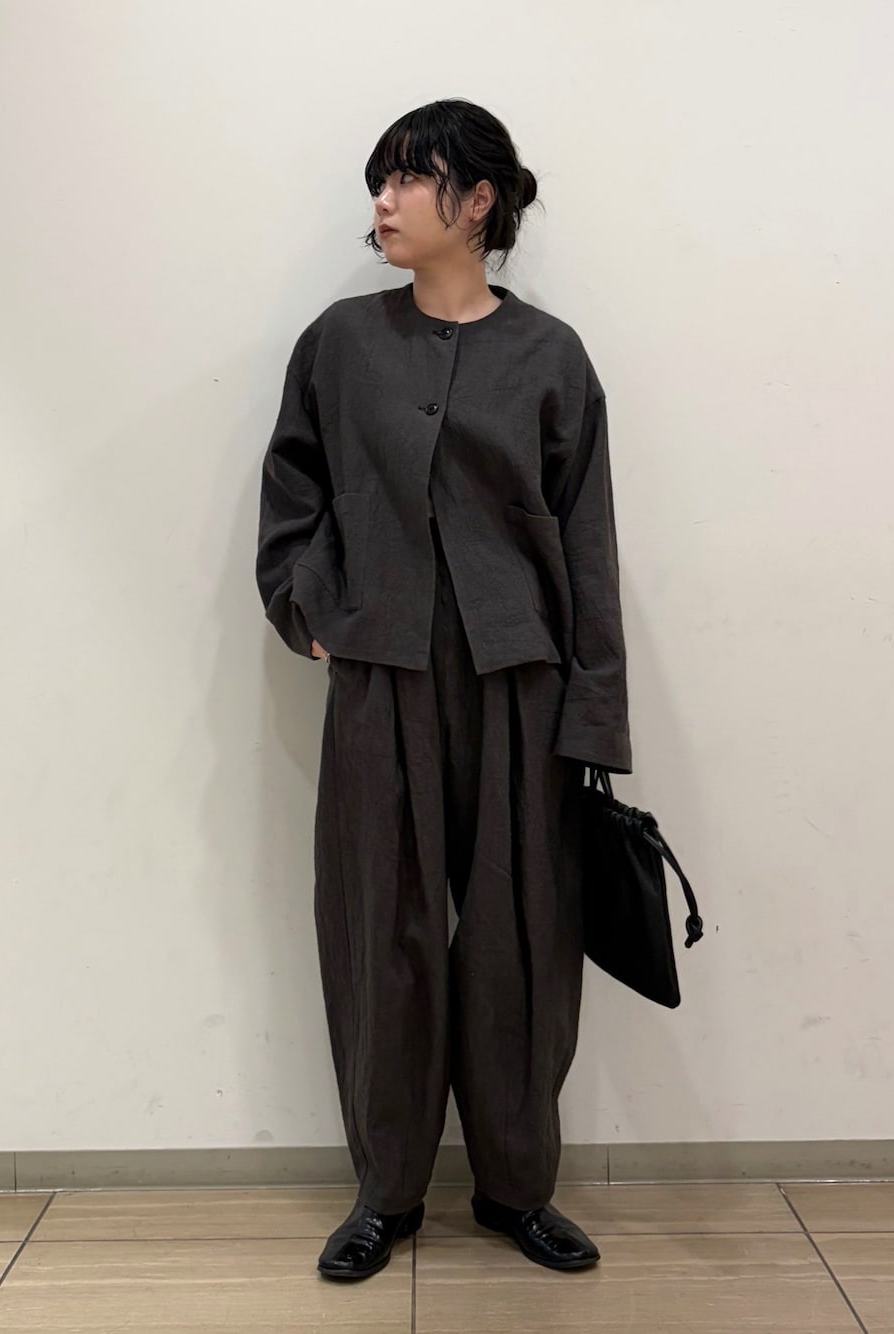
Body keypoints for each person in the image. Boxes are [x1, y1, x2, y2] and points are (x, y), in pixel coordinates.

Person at [255, 98, 631, 1281]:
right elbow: (292, 495)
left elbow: (586, 543)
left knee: (522, 938)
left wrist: (591, 713)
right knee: (382, 931)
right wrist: (312, 616)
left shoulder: (551, 356)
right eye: (379, 180)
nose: (382, 201)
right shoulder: (339, 343)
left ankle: (516, 1188)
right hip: (382, 676)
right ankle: (387, 1192)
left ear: (477, 202)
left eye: (408, 178)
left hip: (518, 683)